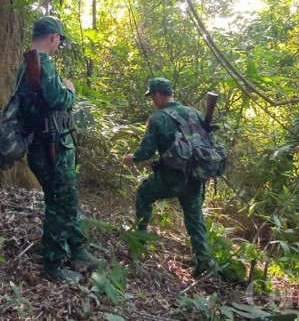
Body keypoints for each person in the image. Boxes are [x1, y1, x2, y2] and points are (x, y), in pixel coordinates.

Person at [15, 16, 103, 283]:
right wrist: (70, 91)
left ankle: (78, 250)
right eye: (58, 41)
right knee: (58, 202)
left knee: (67, 199)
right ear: (53, 37)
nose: (58, 46)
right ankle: (53, 265)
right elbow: (57, 100)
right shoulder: (44, 64)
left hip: (44, 144)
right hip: (51, 146)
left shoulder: (26, 64)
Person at [123, 77, 216, 278]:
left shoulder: (158, 118)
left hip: (170, 178)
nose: (152, 100)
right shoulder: (196, 113)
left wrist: (133, 158)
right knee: (195, 218)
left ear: (157, 94)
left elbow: (146, 151)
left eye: (152, 96)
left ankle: (139, 240)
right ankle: (204, 260)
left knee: (144, 194)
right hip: (195, 177)